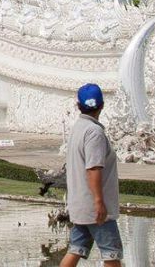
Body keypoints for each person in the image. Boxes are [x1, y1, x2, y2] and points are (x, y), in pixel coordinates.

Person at [60, 83, 123, 267]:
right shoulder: (94, 132)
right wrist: (99, 202)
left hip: (80, 204)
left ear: (78, 106)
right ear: (102, 105)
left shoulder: (78, 128)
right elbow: (93, 168)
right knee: (112, 254)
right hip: (94, 208)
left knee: (76, 249)